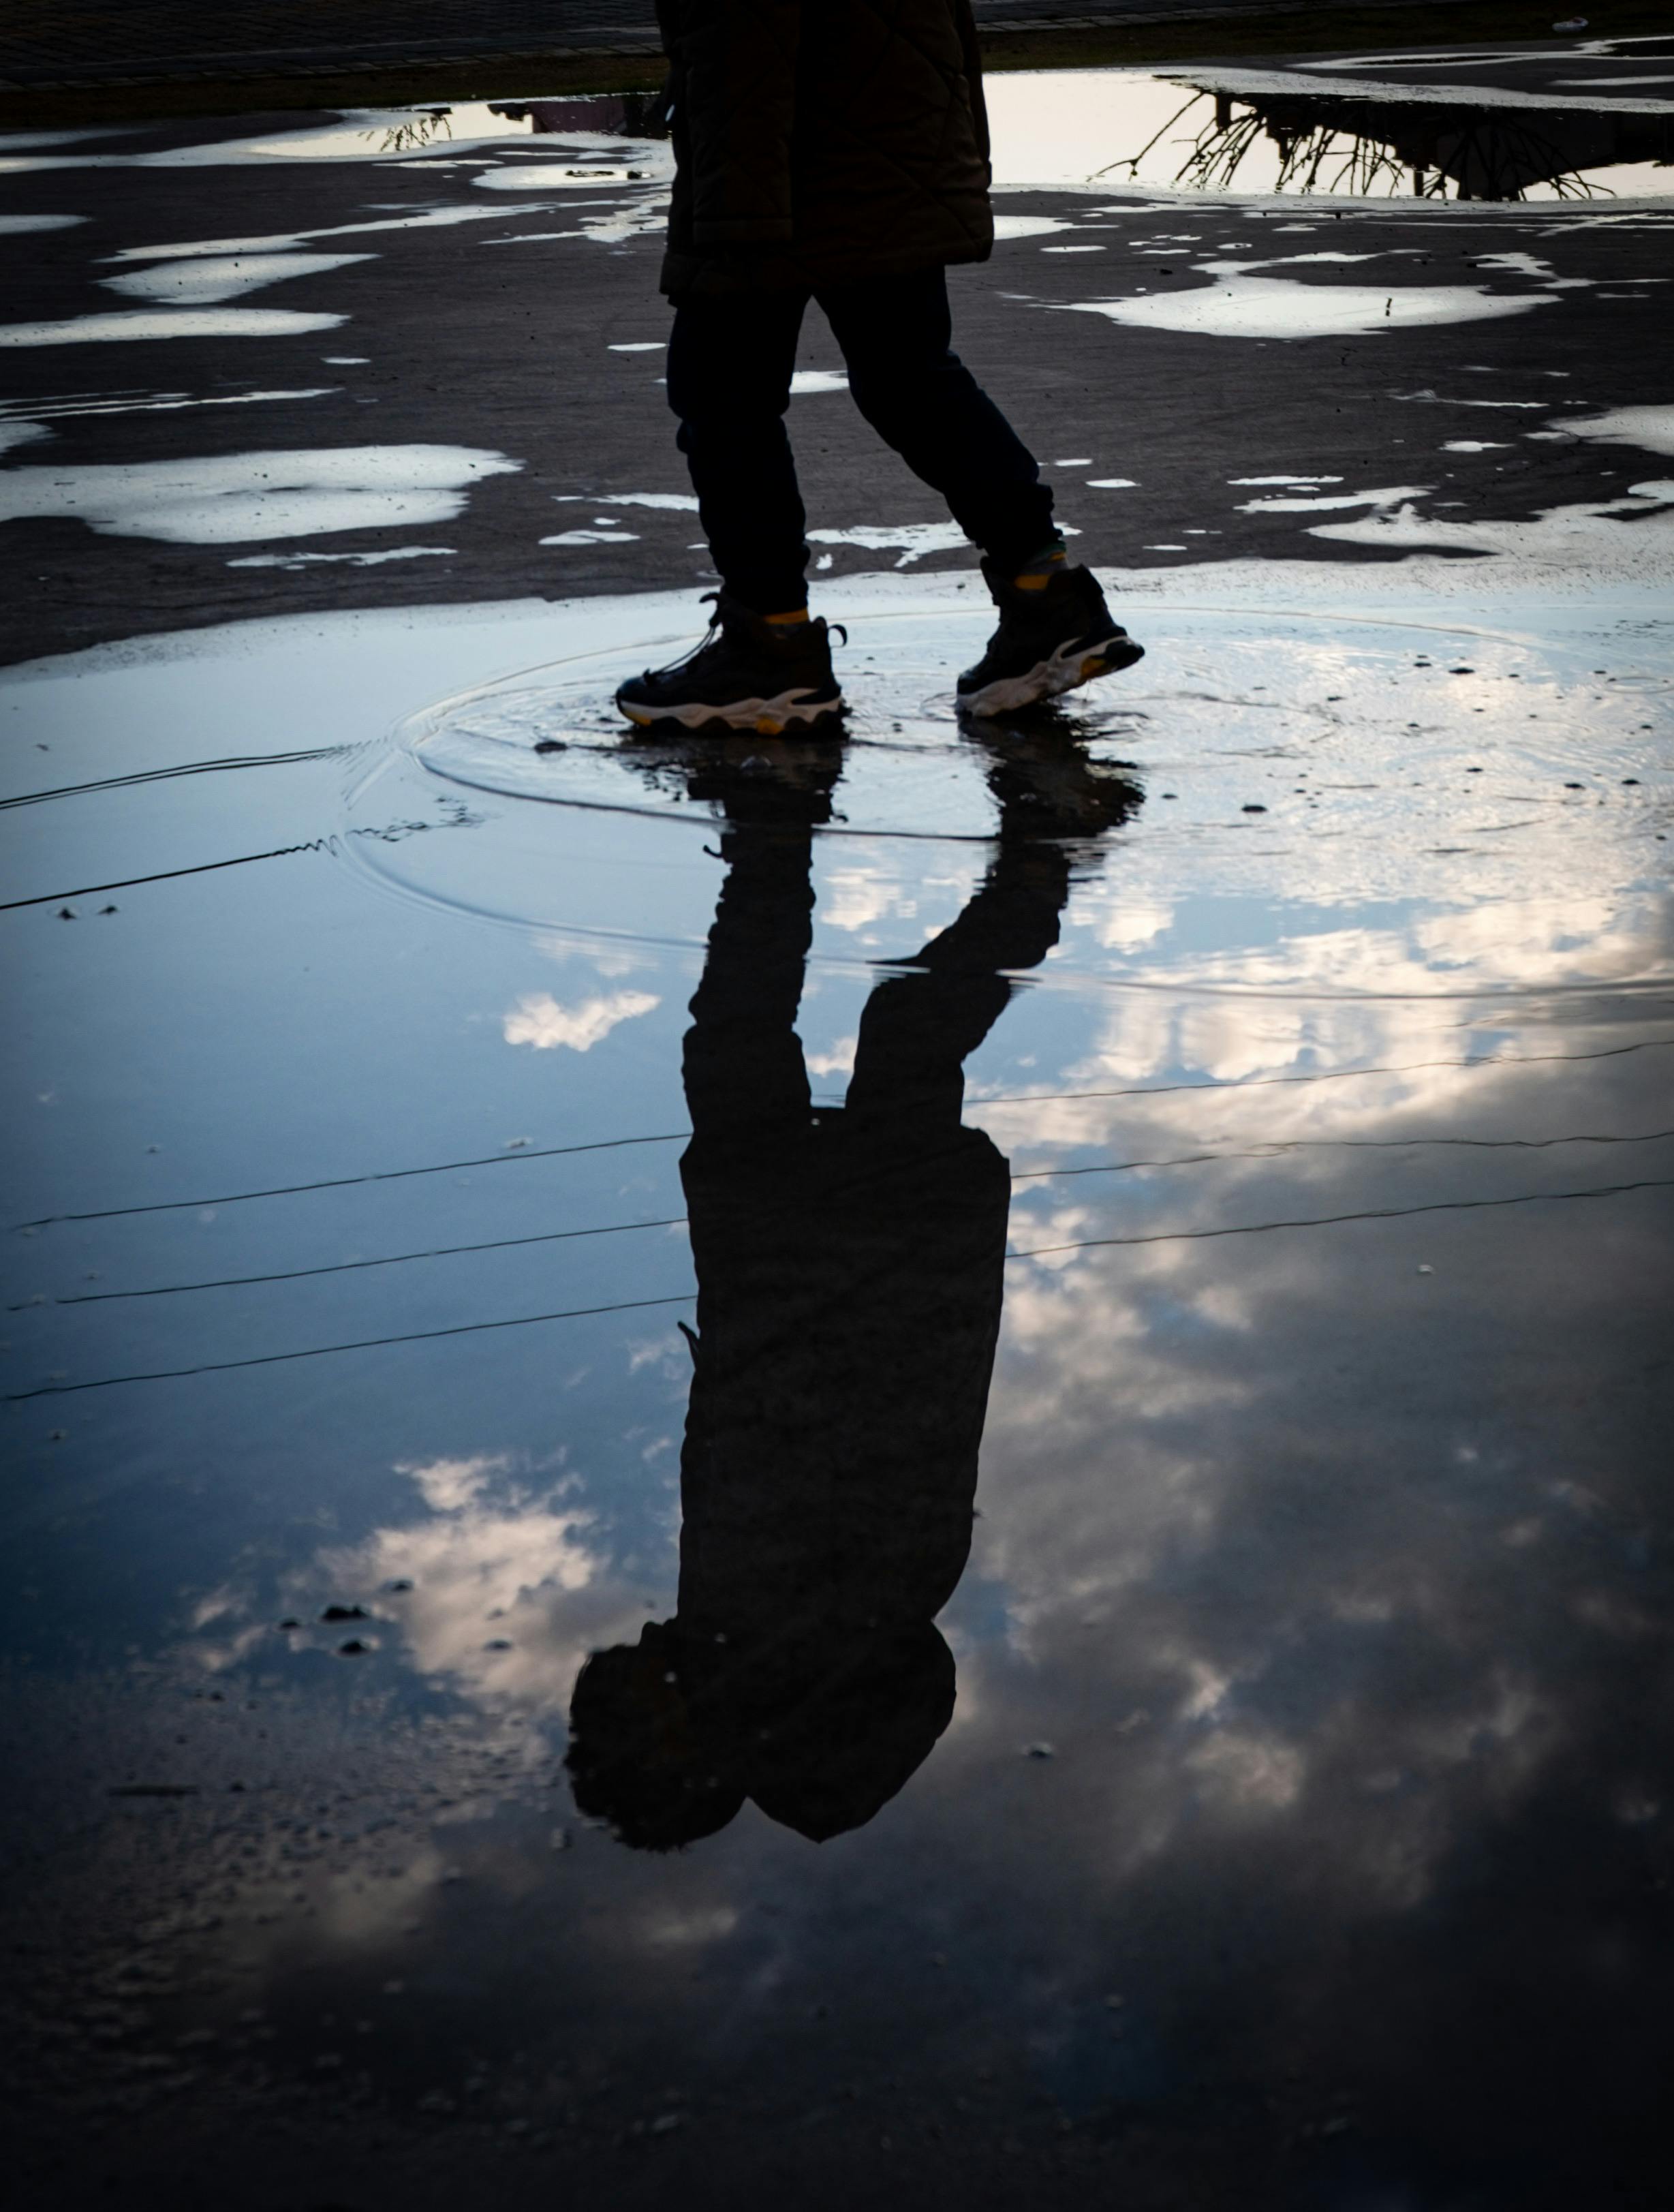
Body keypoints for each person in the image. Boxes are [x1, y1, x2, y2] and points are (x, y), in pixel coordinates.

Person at [565, 731, 1141, 1848]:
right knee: (857, 1033)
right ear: (677, 1743)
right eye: (612, 1719)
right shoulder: (794, 1649)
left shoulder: (766, 1633)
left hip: (829, 1265)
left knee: (856, 1036)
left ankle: (828, 839)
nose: (622, 1656)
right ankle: (944, 842)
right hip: (848, 1262)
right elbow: (829, 1431)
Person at [615, 0, 1143, 735]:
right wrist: (956, 156)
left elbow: (742, 39)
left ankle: (772, 647)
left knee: (723, 395)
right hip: (891, 139)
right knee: (909, 374)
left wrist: (732, 220)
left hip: (791, 162)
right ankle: (1045, 593)